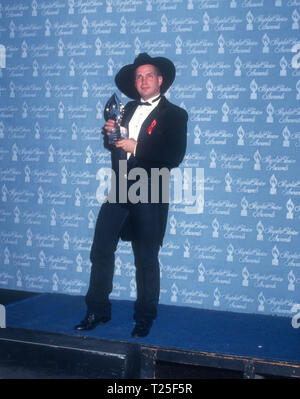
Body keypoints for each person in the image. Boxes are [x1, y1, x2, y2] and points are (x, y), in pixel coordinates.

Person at [75, 53, 188, 338]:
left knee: (146, 258)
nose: (143, 80)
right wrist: (111, 135)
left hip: (152, 187)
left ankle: (145, 316)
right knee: (100, 249)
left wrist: (137, 146)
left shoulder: (175, 114)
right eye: (139, 76)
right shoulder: (123, 111)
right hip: (120, 188)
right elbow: (117, 148)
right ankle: (97, 309)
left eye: (149, 75)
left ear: (160, 80)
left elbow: (174, 156)